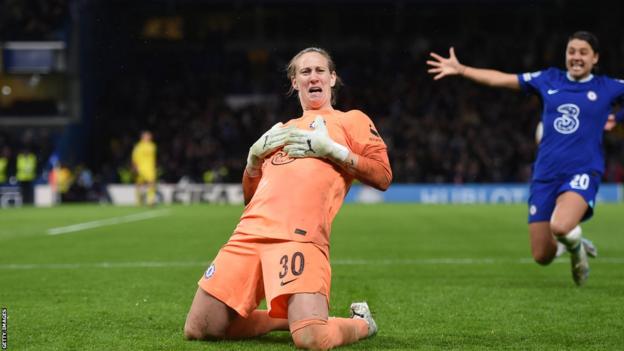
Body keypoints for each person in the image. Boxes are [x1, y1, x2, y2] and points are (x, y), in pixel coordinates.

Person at [184, 47, 392, 349]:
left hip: (300, 238)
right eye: (304, 72)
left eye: (320, 70)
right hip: (248, 234)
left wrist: (333, 150)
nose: (313, 77)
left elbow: (383, 176)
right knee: (200, 327)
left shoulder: (351, 121)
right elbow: (251, 198)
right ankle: (290, 317)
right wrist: (252, 160)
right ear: (294, 82)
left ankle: (361, 323)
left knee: (311, 339)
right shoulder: (279, 131)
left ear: (333, 78)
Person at [427, 31, 624, 286]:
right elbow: (501, 80)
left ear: (595, 58)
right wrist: (462, 69)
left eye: (583, 52)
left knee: (561, 226)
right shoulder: (548, 79)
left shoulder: (606, 87)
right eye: (572, 51)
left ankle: (574, 248)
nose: (576, 57)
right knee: (541, 255)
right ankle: (575, 243)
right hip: (545, 174)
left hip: (583, 171)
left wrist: (617, 118)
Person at [131, 130, 157, 206]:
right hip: (140, 168)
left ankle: (151, 200)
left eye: (149, 135)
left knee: (151, 183)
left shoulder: (152, 146)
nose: (149, 137)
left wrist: (154, 166)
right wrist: (135, 167)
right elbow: (134, 158)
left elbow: (153, 158)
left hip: (150, 168)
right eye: (147, 135)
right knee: (139, 184)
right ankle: (138, 201)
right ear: (142, 137)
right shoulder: (138, 146)